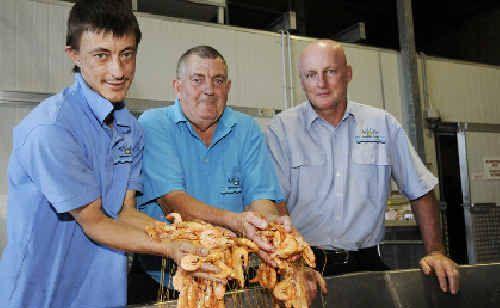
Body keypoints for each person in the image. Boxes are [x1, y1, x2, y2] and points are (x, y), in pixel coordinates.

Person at [0, 1, 208, 307]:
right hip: (42, 291)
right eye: (102, 55)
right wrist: (173, 248)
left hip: (101, 291)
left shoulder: (129, 128)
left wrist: (189, 236)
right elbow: (95, 221)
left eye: (127, 54)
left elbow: (123, 212)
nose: (118, 71)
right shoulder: (52, 129)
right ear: (74, 54)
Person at [265, 40, 460, 295]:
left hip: (367, 265)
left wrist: (435, 251)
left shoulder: (382, 125)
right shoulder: (281, 129)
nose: (321, 83)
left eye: (330, 72)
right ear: (302, 81)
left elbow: (420, 190)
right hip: (304, 267)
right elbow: (274, 203)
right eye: (311, 75)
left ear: (348, 74)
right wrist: (294, 264)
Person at [128, 45, 290, 303]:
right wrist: (236, 221)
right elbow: (174, 202)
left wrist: (270, 226)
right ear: (178, 87)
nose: (209, 89)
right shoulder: (154, 124)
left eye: (218, 80)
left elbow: (261, 197)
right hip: (166, 281)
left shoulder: (247, 129)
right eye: (197, 80)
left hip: (231, 278)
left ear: (228, 88)